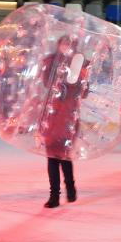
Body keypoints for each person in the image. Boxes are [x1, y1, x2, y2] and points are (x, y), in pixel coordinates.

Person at [30, 35, 88, 208]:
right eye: (63, 44)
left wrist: (77, 77)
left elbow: (84, 92)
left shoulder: (80, 65)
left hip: (69, 115)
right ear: (59, 45)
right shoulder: (51, 62)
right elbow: (46, 84)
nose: (66, 47)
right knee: (52, 156)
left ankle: (70, 187)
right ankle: (54, 195)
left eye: (69, 45)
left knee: (63, 155)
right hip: (52, 113)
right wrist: (55, 70)